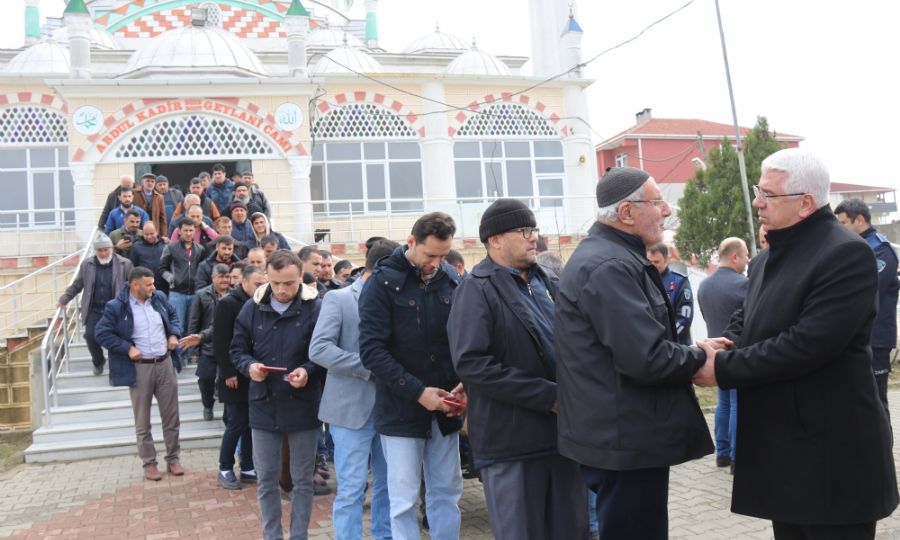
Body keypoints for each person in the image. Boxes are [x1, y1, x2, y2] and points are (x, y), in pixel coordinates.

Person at [692, 148, 898, 539]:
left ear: (805, 203)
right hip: (785, 453)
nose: (757, 202)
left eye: (768, 194)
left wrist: (721, 368)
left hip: (832, 458)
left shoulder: (846, 254)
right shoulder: (768, 259)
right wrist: (722, 346)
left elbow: (808, 343)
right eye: (758, 190)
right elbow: (749, 320)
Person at [555, 167, 715, 540]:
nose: (666, 210)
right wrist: (700, 358)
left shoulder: (612, 257)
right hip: (624, 438)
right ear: (626, 213)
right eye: (657, 201)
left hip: (620, 433)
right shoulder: (609, 265)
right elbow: (646, 357)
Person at [448, 198, 589, 540]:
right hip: (512, 443)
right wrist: (547, 396)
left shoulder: (548, 281)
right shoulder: (476, 289)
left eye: (534, 229)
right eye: (524, 230)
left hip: (563, 437)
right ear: (495, 240)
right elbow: (473, 364)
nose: (533, 237)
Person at [359, 212, 465, 540]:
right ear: (411, 242)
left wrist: (465, 385)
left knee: (447, 493)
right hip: (400, 410)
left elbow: (466, 340)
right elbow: (372, 352)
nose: (436, 262)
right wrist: (419, 392)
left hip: (446, 409)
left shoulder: (452, 278)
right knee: (403, 500)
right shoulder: (380, 284)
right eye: (430, 254)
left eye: (443, 255)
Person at [231, 250, 323, 540]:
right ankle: (272, 536)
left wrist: (308, 371)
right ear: (267, 278)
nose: (282, 290)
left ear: (301, 278)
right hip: (263, 404)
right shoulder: (251, 308)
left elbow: (323, 353)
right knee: (266, 479)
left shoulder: (315, 307)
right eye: (276, 283)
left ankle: (299, 536)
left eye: (290, 283)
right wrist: (250, 367)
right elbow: (237, 350)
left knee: (302, 481)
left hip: (303, 404)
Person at [309, 240, 397, 540]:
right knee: (351, 488)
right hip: (349, 411)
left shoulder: (395, 298)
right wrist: (369, 365)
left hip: (391, 410)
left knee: (388, 486)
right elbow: (319, 349)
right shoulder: (339, 299)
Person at [94, 266, 184, 481]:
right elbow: (101, 333)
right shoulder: (117, 306)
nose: (153, 287)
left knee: (172, 416)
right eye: (149, 284)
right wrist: (127, 348)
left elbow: (173, 315)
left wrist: (173, 334)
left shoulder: (159, 298)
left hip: (164, 363)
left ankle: (173, 458)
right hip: (139, 368)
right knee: (142, 419)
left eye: (153, 283)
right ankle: (149, 463)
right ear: (135, 285)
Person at [834, 198, 899, 415]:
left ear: (859, 220)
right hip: (858, 337)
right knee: (859, 401)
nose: (838, 229)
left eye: (843, 223)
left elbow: (865, 291)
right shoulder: (855, 248)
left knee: (877, 401)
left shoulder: (880, 251)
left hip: (876, 338)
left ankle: (885, 449)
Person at [696, 237, 749, 474]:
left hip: (713, 352)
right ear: (735, 256)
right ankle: (738, 458)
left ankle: (722, 454)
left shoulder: (705, 285)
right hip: (737, 352)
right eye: (746, 255)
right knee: (738, 404)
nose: (748, 260)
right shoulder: (744, 284)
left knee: (723, 404)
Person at [214, 264, 268, 490]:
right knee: (235, 423)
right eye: (257, 284)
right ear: (243, 282)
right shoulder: (228, 304)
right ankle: (225, 467)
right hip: (234, 375)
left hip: (251, 373)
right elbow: (221, 341)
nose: (261, 288)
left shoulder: (258, 302)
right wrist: (228, 373)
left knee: (249, 423)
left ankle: (247, 466)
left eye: (262, 284)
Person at [58, 234, 133, 376]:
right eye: (100, 251)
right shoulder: (87, 264)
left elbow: (133, 285)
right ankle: (98, 361)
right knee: (90, 336)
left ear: (111, 248)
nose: (103, 253)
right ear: (95, 251)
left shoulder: (125, 263)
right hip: (95, 309)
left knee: (116, 337)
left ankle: (117, 368)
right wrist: (64, 299)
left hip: (116, 309)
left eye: (106, 250)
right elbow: (77, 284)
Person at [181, 263, 231, 421]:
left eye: (227, 276)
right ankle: (208, 405)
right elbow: (194, 321)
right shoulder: (202, 295)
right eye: (221, 276)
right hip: (207, 345)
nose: (224, 280)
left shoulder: (234, 294)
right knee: (205, 378)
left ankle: (226, 414)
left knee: (226, 381)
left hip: (228, 347)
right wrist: (194, 348)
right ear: (213, 278)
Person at [159, 220, 205, 336]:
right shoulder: (171, 248)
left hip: (194, 293)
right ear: (179, 231)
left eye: (191, 230)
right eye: (185, 230)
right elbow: (162, 268)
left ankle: (189, 354)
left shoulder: (200, 249)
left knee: (191, 327)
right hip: (177, 293)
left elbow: (202, 270)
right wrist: (172, 280)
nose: (188, 233)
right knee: (177, 327)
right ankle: (178, 354)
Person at [647, 243, 694, 345]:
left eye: (656, 262)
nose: (652, 265)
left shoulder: (680, 282)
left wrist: (665, 340)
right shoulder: (643, 280)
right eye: (649, 262)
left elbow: (684, 319)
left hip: (677, 346)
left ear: (666, 259)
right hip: (651, 345)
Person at [129, 222, 168, 295]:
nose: (149, 237)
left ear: (157, 231)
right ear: (142, 233)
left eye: (151, 233)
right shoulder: (136, 247)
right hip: (144, 288)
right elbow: (132, 267)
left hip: (163, 287)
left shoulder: (165, 246)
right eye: (146, 234)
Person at [132, 173, 167, 239]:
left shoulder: (159, 197)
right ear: (142, 182)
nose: (150, 183)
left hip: (154, 231)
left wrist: (163, 235)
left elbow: (162, 218)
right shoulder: (134, 193)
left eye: (152, 181)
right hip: (138, 230)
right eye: (147, 181)